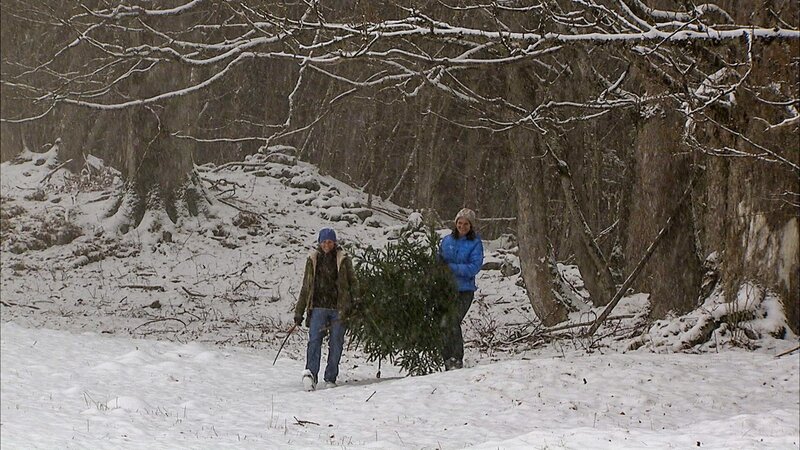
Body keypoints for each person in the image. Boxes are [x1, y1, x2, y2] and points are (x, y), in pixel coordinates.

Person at [293, 228, 358, 391]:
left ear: (334, 242)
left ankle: (331, 377)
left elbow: (353, 282)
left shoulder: (343, 259)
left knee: (336, 342)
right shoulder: (313, 259)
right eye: (323, 242)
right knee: (314, 341)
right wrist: (299, 312)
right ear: (319, 243)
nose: (326, 245)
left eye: (329, 242)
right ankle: (310, 375)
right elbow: (306, 287)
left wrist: (357, 302)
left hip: (338, 308)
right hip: (318, 308)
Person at [438, 208, 484, 370]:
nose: (462, 226)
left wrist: (452, 268)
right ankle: (446, 358)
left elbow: (474, 267)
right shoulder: (446, 241)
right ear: (455, 223)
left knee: (453, 321)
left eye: (466, 224)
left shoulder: (475, 243)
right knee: (443, 324)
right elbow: (439, 260)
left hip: (464, 290)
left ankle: (456, 359)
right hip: (446, 289)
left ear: (471, 226)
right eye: (460, 223)